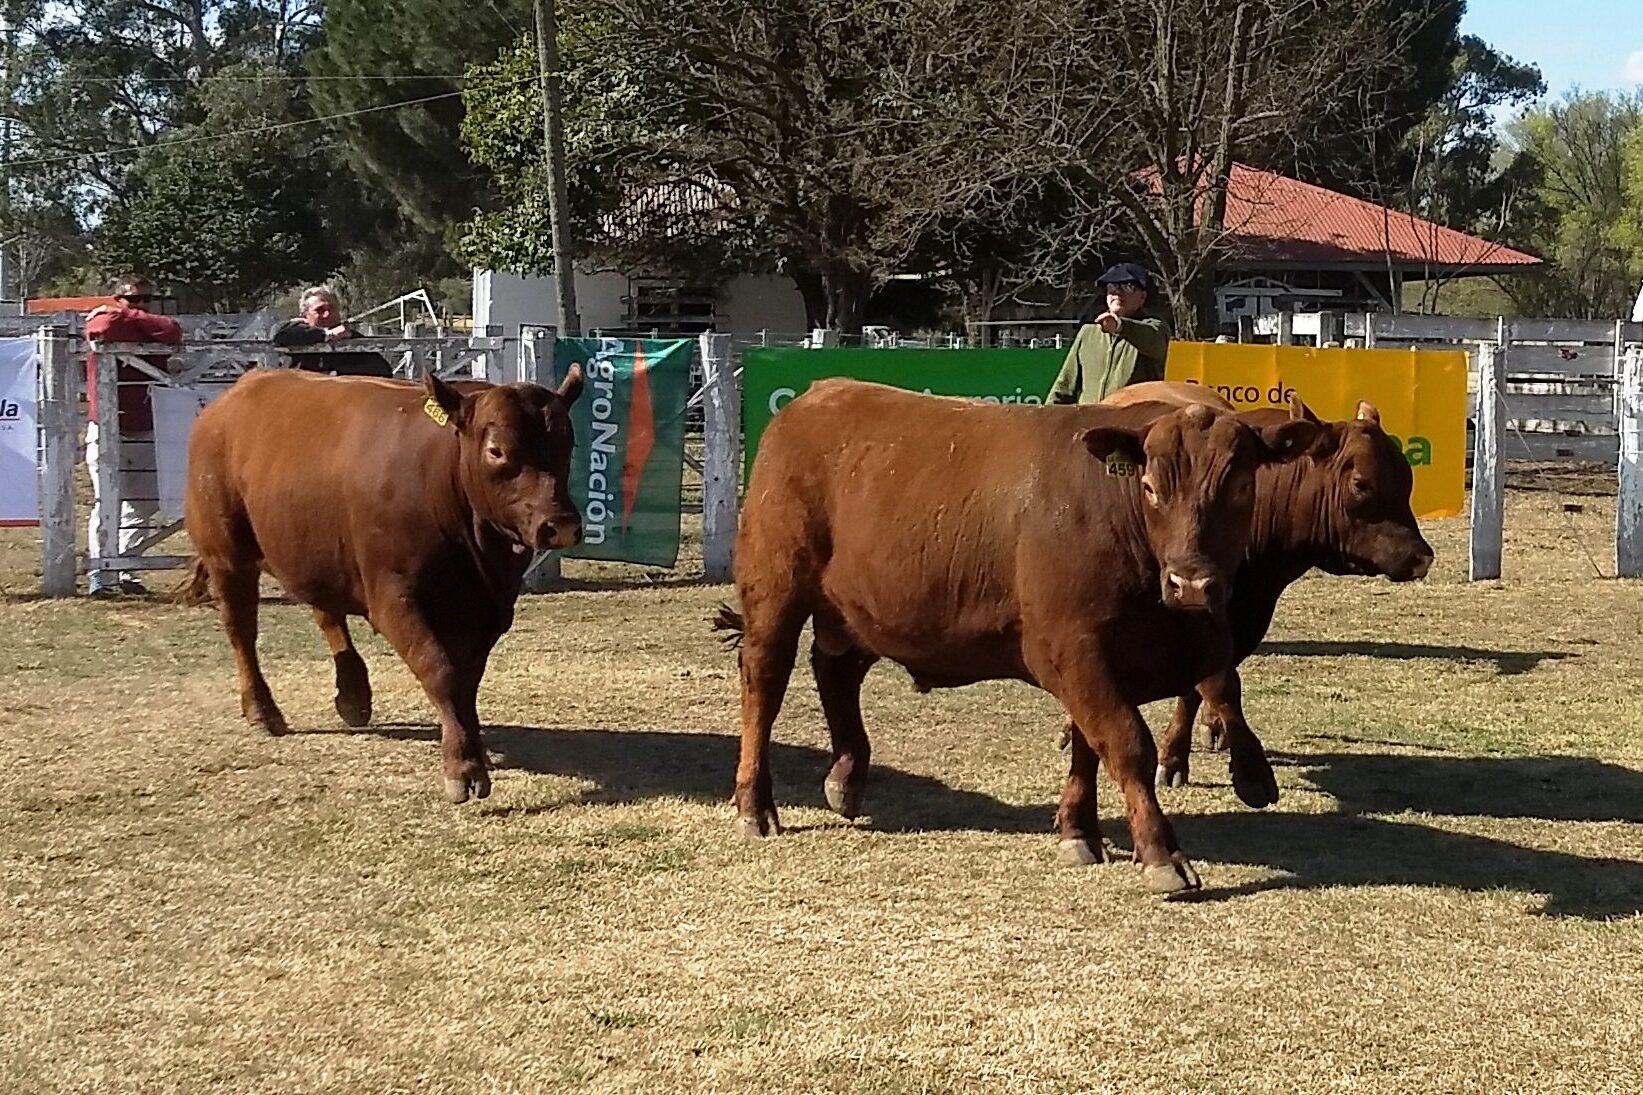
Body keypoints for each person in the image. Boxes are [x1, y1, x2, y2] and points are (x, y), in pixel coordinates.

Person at [83, 276, 185, 596]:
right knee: (106, 500)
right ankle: (102, 571)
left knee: (147, 500)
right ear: (118, 298)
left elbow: (172, 330)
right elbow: (100, 330)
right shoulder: (105, 317)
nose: (141, 305)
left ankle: (125, 564)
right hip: (107, 428)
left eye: (146, 300)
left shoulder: (128, 319)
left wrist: (130, 316)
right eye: (133, 299)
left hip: (146, 426)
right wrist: (137, 321)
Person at [1046, 262, 1173, 405]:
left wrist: (1120, 326)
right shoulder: (1088, 333)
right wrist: (1046, 416)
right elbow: (1064, 385)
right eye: (1112, 287)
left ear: (1142, 297)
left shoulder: (1155, 328)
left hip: (1132, 424)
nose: (1117, 292)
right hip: (1090, 422)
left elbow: (1155, 342)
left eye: (1127, 287)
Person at [271, 285, 393, 377]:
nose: (327, 314)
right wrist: (328, 335)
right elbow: (281, 337)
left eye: (332, 308)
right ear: (305, 315)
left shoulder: (351, 338)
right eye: (320, 310)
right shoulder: (294, 331)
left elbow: (382, 369)